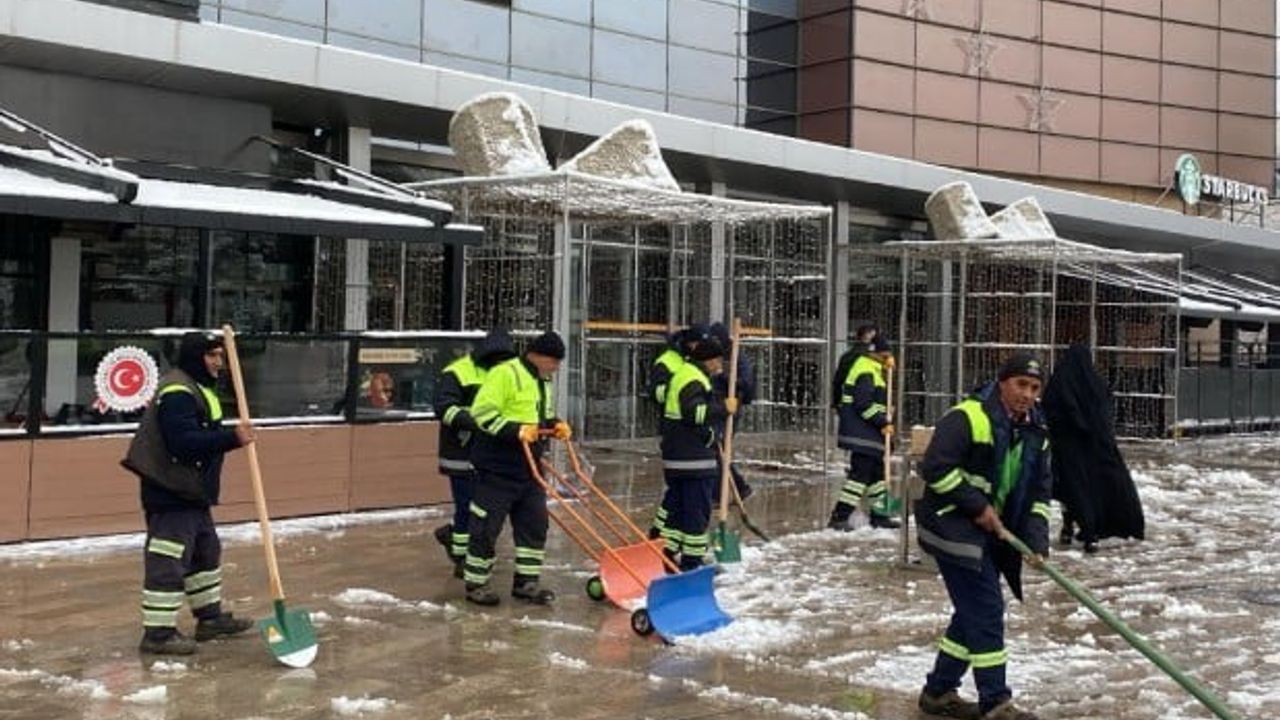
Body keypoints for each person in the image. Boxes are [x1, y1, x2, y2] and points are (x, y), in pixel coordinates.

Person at [915, 353, 1052, 720]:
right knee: (987, 609)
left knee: (972, 611)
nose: (1027, 394)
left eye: (1035, 388)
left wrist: (1037, 541)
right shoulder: (968, 417)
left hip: (990, 531)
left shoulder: (1036, 431)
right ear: (1003, 382)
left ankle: (939, 692)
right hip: (950, 524)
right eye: (1021, 384)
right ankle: (996, 702)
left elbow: (1039, 493)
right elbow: (935, 468)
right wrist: (977, 506)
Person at [121, 332, 256, 655]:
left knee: (204, 553)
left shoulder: (198, 389)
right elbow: (183, 442)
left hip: (191, 491)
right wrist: (232, 438)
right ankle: (158, 634)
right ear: (197, 357)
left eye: (221, 357)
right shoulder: (178, 391)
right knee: (168, 558)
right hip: (170, 490)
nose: (219, 364)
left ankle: (209, 619)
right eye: (212, 356)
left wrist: (227, 438)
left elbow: (202, 433)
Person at [462, 330, 570, 606]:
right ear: (541, 356)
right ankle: (476, 584)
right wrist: (516, 431)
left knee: (535, 524)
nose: (556, 369)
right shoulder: (505, 373)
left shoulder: (541, 381)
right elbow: (482, 414)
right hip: (498, 467)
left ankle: (526, 583)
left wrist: (554, 424)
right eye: (555, 363)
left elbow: (537, 417)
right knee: (486, 527)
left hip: (529, 468)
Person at [1041, 344, 1145, 554]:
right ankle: (1092, 532)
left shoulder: (1059, 382)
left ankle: (1072, 528)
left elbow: (1049, 410)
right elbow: (1105, 415)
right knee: (1090, 490)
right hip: (1094, 449)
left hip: (1066, 450)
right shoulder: (1095, 383)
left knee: (1069, 490)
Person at [432, 329, 516, 577]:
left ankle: (465, 550)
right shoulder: (458, 372)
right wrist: (476, 421)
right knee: (467, 506)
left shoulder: (507, 373)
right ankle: (462, 556)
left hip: (492, 453)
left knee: (482, 508)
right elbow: (444, 408)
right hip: (461, 452)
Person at [659, 336, 732, 571]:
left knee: (677, 512)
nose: (720, 366)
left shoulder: (684, 373)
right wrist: (723, 409)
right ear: (710, 360)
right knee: (696, 514)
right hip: (692, 460)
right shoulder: (693, 379)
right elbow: (695, 414)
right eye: (719, 361)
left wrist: (712, 437)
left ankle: (667, 556)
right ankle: (692, 563)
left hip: (678, 456)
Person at [828, 333, 899, 530]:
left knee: (876, 476)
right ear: (876, 355)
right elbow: (863, 404)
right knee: (859, 477)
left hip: (868, 434)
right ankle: (839, 516)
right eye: (886, 355)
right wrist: (882, 421)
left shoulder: (873, 370)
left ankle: (880, 515)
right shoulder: (866, 371)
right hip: (862, 434)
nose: (889, 360)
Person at [646, 324, 708, 539]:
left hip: (693, 435)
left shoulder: (693, 362)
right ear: (689, 343)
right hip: (676, 431)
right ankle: (661, 533)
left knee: (678, 492)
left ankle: (662, 533)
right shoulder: (668, 362)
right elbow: (656, 393)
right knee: (679, 490)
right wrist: (678, 387)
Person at [707, 321, 755, 502]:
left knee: (717, 451)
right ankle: (740, 487)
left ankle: (719, 496)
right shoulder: (716, 355)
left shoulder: (737, 358)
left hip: (730, 408)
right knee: (718, 451)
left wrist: (722, 376)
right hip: (716, 407)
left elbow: (746, 385)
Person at [830, 324, 879, 411]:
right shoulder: (874, 357)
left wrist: (836, 402)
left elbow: (838, 381)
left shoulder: (847, 356)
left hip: (850, 402)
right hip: (870, 402)